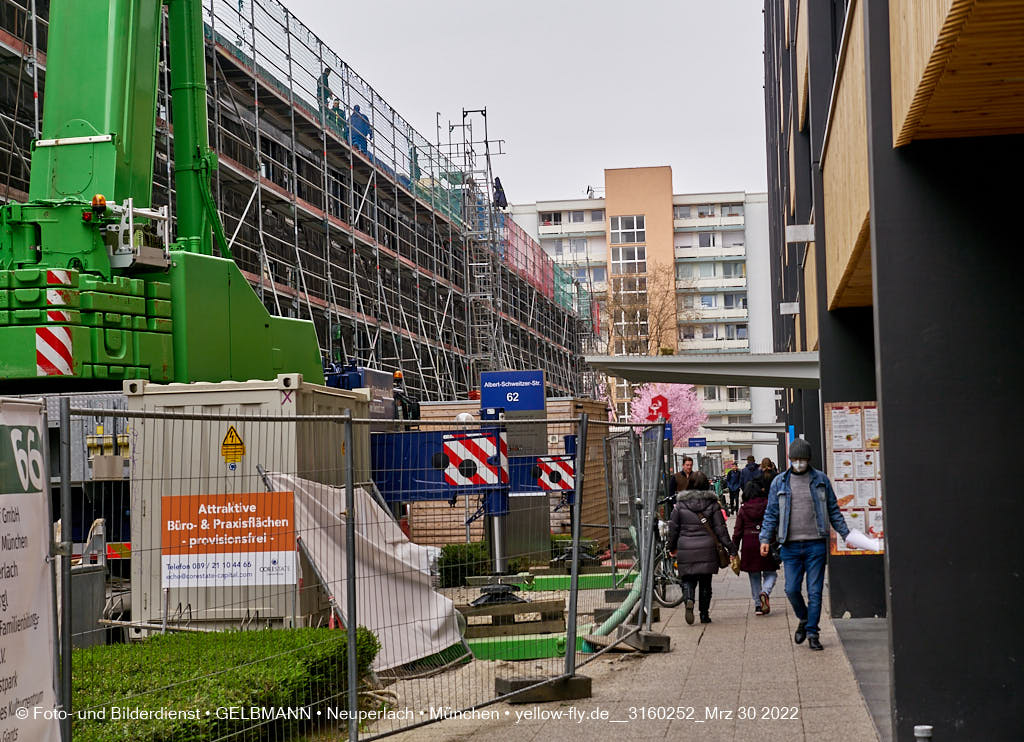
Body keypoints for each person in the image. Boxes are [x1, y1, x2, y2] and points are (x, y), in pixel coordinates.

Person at [759, 438, 850, 651]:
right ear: (790, 459)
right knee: (791, 589)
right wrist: (764, 538)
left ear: (809, 459)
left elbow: (833, 510)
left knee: (815, 591)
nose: (799, 463)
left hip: (815, 544)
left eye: (803, 459)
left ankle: (812, 633)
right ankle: (804, 618)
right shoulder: (779, 482)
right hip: (789, 546)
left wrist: (846, 534)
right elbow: (771, 513)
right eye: (795, 459)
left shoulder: (820, 480)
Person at [667, 472, 734, 626]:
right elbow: (720, 530)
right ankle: (704, 614)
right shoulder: (713, 504)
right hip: (707, 548)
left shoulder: (680, 505)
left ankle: (689, 599)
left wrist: (671, 547)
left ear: (689, 484)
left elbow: (673, 529)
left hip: (686, 547)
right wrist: (731, 549)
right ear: (706, 485)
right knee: (705, 583)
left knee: (688, 579)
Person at [733, 467, 779, 615]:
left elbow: (737, 531)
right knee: (771, 573)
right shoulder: (768, 505)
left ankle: (758, 605)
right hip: (767, 542)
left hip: (749, 544)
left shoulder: (743, 509)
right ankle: (765, 591)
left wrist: (733, 549)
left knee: (754, 575)